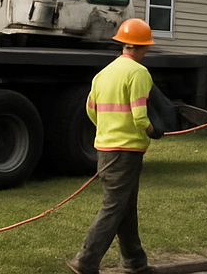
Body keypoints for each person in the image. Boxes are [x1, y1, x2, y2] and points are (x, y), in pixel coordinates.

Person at [69, 18, 160, 274]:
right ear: (143, 47)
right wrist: (154, 131)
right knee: (113, 208)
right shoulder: (139, 73)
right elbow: (140, 116)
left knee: (125, 207)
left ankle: (135, 263)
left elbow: (91, 111)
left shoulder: (103, 74)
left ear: (123, 44)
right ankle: (85, 260)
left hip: (105, 150)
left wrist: (108, 130)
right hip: (127, 152)